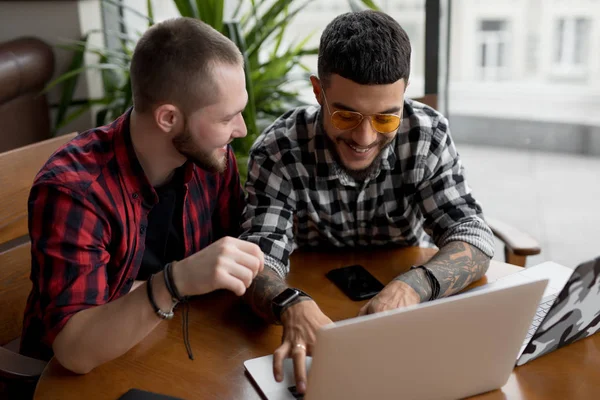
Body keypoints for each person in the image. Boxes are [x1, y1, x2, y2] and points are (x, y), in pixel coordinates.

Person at [239, 10, 495, 394]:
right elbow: (257, 260)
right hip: (311, 312)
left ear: (404, 95)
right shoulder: (280, 150)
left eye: (386, 118)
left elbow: (472, 234)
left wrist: (414, 285)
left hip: (399, 316)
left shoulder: (426, 134)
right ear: (317, 91)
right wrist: (288, 301)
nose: (364, 137)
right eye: (346, 114)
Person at [20, 17, 264, 374]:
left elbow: (233, 258)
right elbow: (74, 350)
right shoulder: (74, 191)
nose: (241, 130)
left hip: (174, 350)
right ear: (168, 118)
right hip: (77, 381)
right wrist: (175, 281)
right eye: (228, 118)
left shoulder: (209, 158)